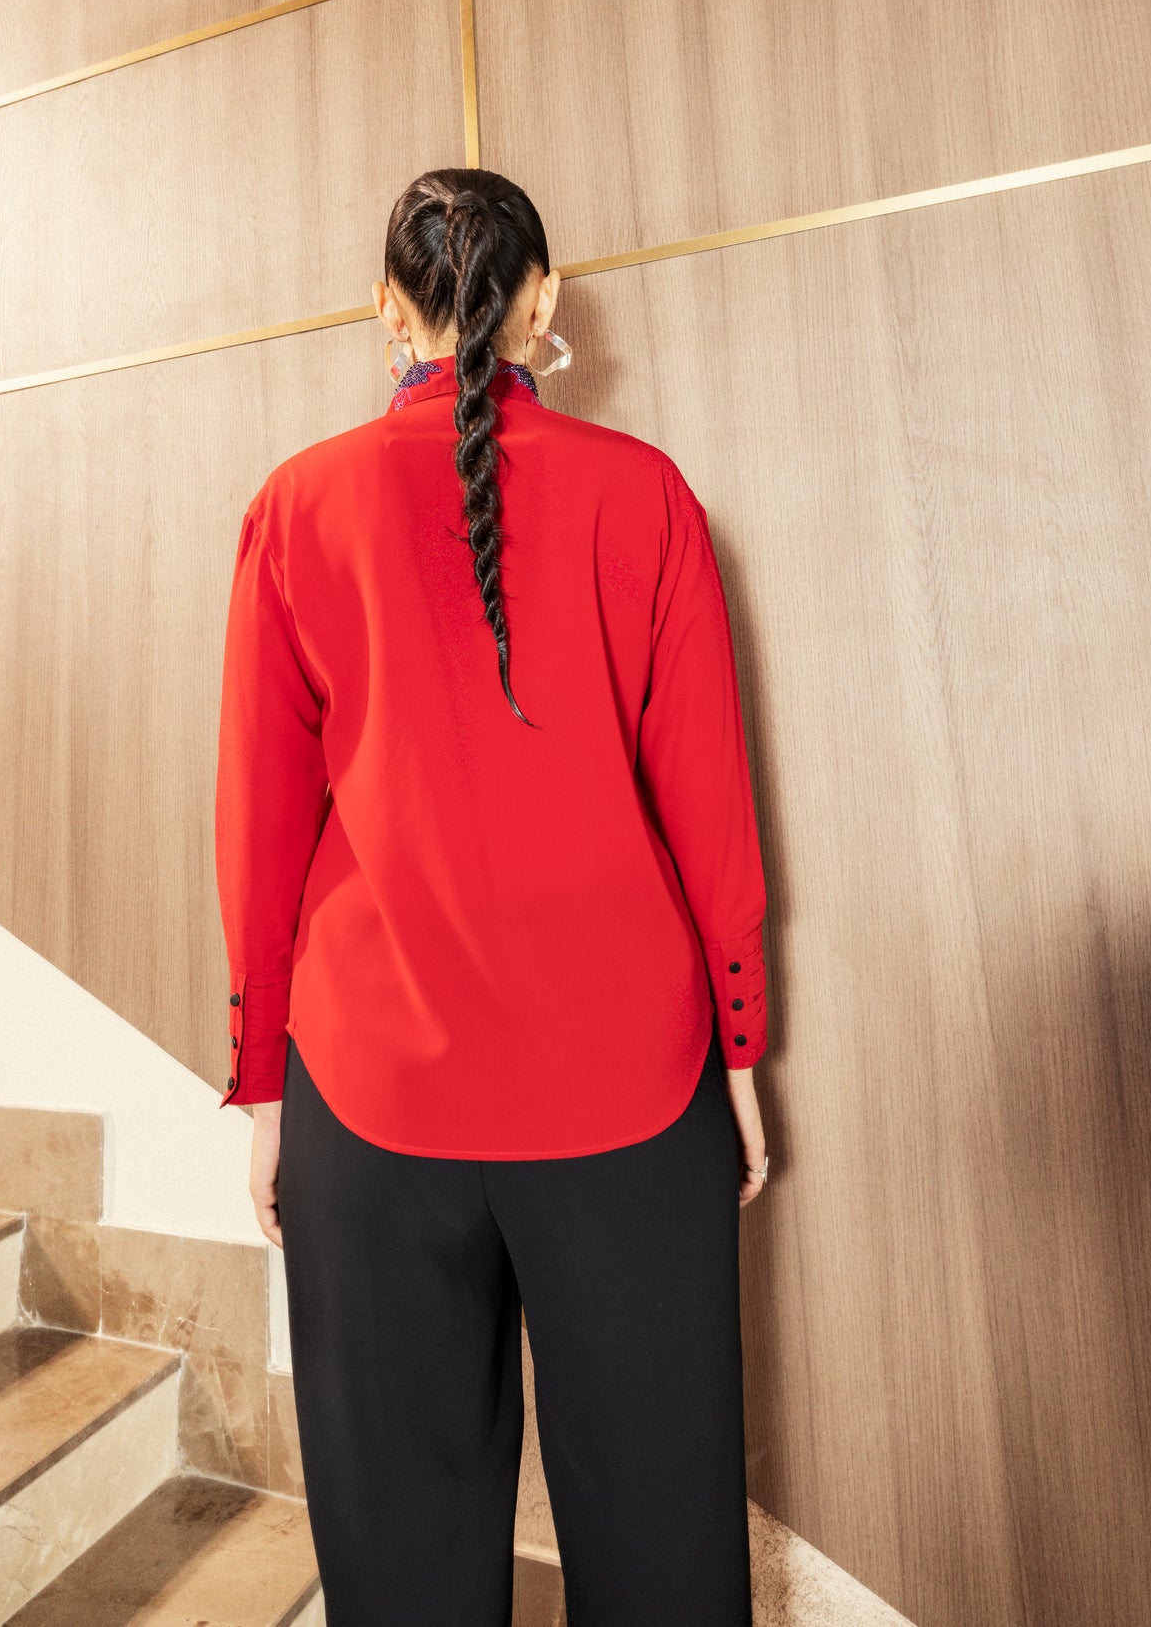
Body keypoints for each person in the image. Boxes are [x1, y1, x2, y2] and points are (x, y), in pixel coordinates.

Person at [214, 166, 771, 1627]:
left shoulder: (295, 506)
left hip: (368, 1086)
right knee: (664, 1537)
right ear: (543, 301)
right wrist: (738, 1043)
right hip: (629, 1090)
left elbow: (260, 829)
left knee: (398, 1561)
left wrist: (262, 1079)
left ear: (384, 315)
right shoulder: (644, 493)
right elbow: (706, 795)